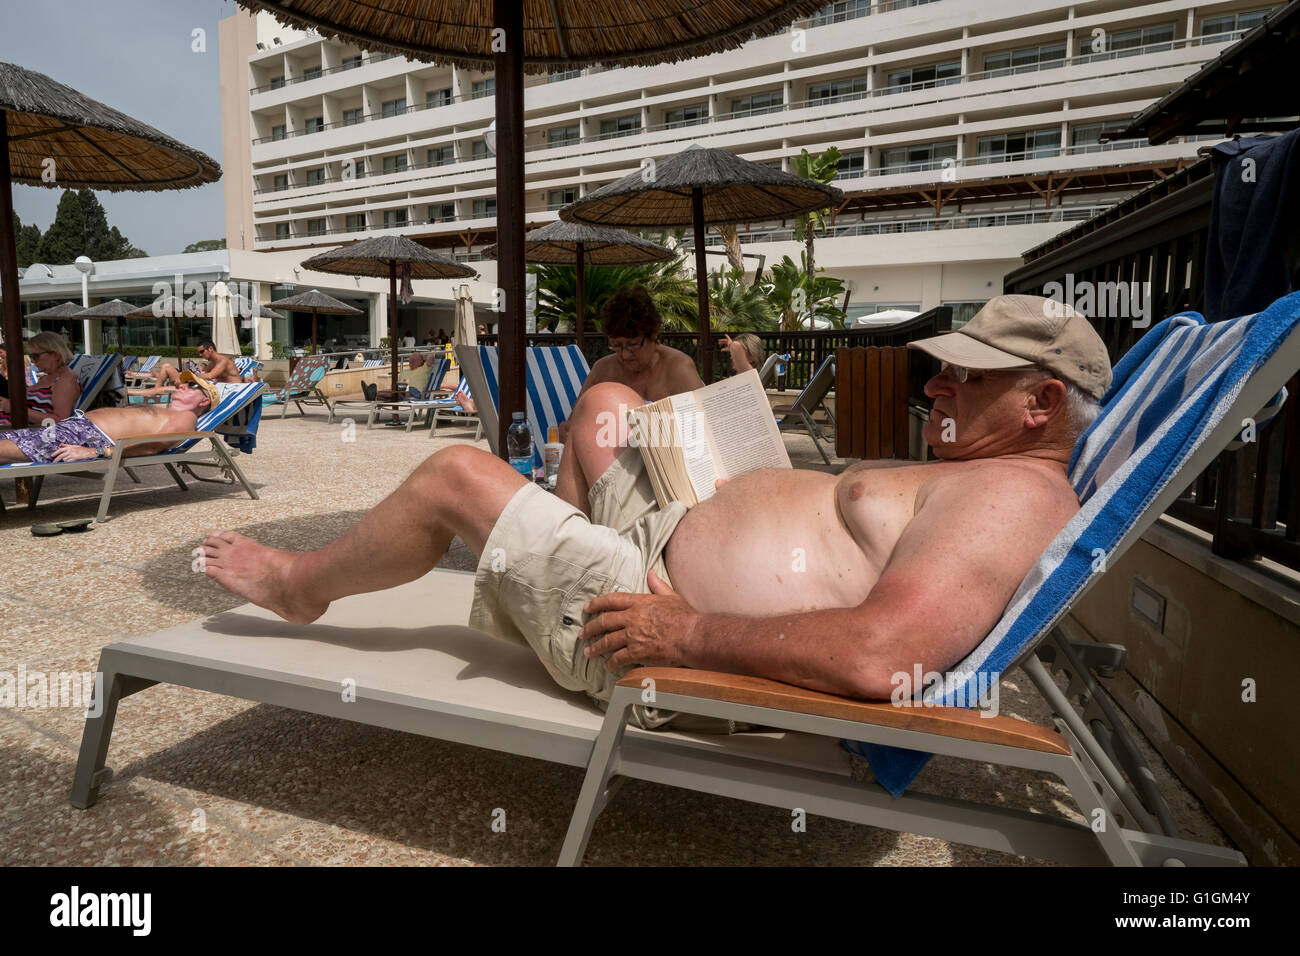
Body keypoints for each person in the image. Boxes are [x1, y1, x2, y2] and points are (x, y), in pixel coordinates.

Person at [199, 295, 1109, 727]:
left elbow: (881, 655)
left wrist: (686, 636)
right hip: (672, 532)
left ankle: (302, 586)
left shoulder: (1013, 493)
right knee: (602, 409)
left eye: (965, 375)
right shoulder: (986, 474)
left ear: (1039, 405)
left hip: (650, 603)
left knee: (453, 473)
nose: (936, 382)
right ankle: (540, 545)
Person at [554, 283, 703, 449]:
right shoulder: (603, 370)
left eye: (632, 345)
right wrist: (566, 431)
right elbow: (574, 422)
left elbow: (705, 428)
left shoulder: (678, 368)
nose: (624, 355)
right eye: (616, 345)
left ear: (653, 334)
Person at [1, 374, 216, 464]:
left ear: (204, 402)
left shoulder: (186, 418)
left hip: (85, 439)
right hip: (74, 429)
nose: (182, 384)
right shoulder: (167, 411)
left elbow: (154, 445)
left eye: (193, 386)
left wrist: (95, 451)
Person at [0, 333, 79, 427]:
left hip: (17, 435)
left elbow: (60, 421)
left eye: (35, 356)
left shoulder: (65, 381)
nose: (32, 361)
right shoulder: (46, 378)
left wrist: (15, 409)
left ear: (56, 355)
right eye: (31, 356)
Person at [130, 341, 242, 398]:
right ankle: (130, 392)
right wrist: (195, 373)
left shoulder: (222, 361)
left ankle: (135, 390)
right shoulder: (213, 363)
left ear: (210, 349)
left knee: (171, 376)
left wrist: (192, 375)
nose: (200, 354)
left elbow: (210, 376)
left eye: (202, 351)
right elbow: (204, 374)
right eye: (199, 353)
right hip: (213, 388)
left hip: (227, 391)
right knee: (167, 368)